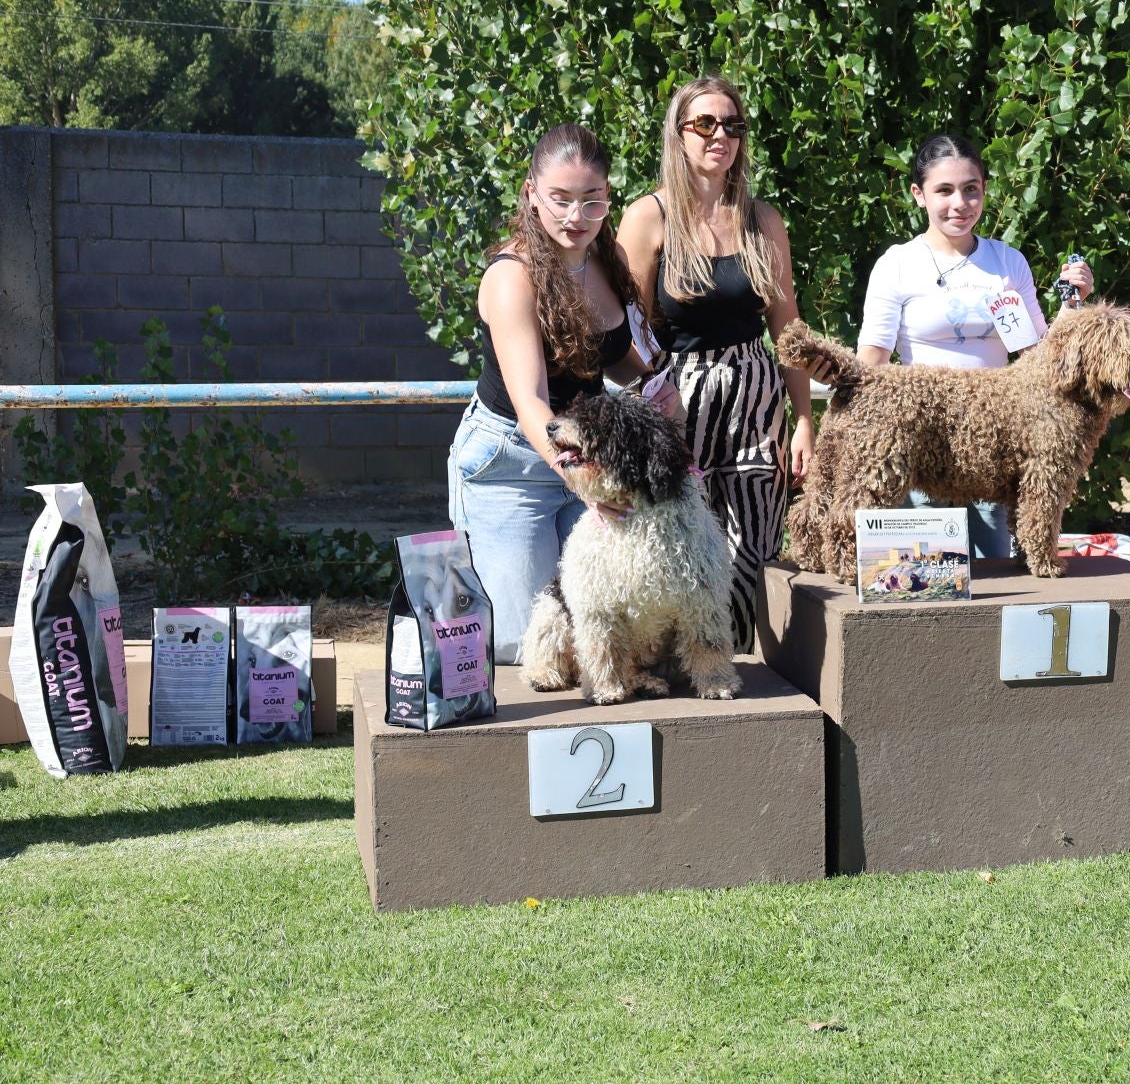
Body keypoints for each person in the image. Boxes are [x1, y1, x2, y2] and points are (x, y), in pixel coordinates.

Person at [616, 76, 814, 654]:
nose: (719, 135)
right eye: (704, 124)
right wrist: (649, 413)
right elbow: (630, 328)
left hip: (755, 396)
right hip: (678, 400)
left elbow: (788, 328)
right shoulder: (648, 217)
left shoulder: (762, 220)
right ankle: (682, 668)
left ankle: (740, 668)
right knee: (681, 544)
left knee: (754, 544)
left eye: (732, 125)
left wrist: (803, 421)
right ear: (679, 135)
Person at [448, 123, 659, 664]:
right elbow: (531, 405)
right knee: (527, 646)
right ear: (531, 194)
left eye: (592, 202)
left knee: (609, 623)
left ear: (608, 199)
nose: (575, 217)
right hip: (512, 465)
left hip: (586, 456)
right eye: (560, 199)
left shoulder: (603, 258)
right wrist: (587, 485)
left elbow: (615, 354)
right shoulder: (511, 277)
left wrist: (657, 389)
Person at [852, 132, 1094, 557]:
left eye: (970, 190)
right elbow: (871, 362)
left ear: (984, 190)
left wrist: (1074, 306)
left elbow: (1039, 356)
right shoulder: (897, 265)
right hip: (921, 446)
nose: (959, 204)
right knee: (919, 581)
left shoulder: (1007, 262)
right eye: (943, 191)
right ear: (918, 195)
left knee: (994, 587)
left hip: (992, 452)